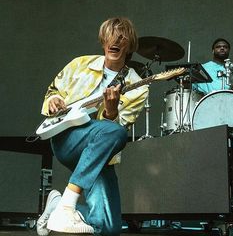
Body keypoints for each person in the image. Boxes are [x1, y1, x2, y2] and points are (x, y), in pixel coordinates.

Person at [36, 17, 149, 236]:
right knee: (115, 131)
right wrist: (54, 101)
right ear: (103, 41)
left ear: (130, 45)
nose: (114, 41)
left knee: (109, 228)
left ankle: (58, 204)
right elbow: (53, 90)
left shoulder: (137, 87)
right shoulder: (80, 64)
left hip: (99, 153)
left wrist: (111, 112)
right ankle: (68, 207)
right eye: (110, 37)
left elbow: (113, 134)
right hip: (66, 139)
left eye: (121, 38)